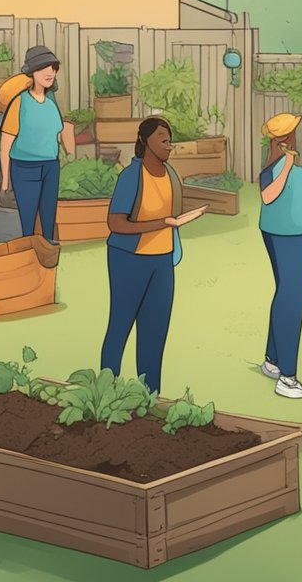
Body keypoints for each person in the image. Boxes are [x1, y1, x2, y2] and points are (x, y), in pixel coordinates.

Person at [100, 118, 207, 395]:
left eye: (169, 139)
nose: (168, 145)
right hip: (128, 259)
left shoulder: (171, 174)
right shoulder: (131, 176)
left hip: (162, 261)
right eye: (162, 139)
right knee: (120, 324)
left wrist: (175, 222)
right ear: (145, 141)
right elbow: (116, 223)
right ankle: (105, 390)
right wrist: (162, 223)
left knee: (155, 331)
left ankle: (150, 395)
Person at [258, 113, 302, 399]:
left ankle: (273, 359)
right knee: (292, 299)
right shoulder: (276, 165)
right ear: (285, 138)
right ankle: (288, 377)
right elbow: (268, 196)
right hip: (286, 233)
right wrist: (286, 164)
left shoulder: (297, 161)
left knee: (288, 293)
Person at [0, 45, 75, 242]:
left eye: (53, 68)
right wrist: (5, 182)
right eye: (44, 68)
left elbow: (56, 133)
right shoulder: (20, 102)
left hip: (51, 166)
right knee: (28, 223)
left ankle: (47, 260)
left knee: (49, 220)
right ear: (32, 72)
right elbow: (6, 143)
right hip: (25, 168)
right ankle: (29, 260)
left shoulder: (52, 104)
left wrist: (69, 153)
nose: (50, 73)